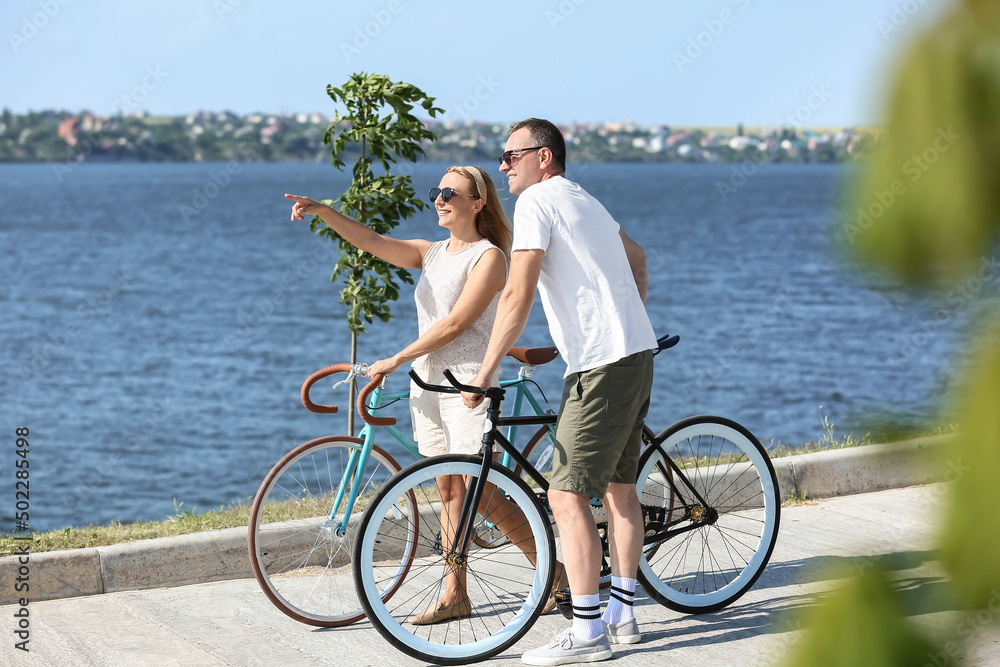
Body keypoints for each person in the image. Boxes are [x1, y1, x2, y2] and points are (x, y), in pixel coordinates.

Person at [286, 165, 564, 626]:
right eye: (437, 191)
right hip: (427, 384)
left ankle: (557, 574)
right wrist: (324, 212)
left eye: (451, 193)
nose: (439, 198)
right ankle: (456, 593)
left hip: (471, 386)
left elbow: (455, 323)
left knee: (483, 492)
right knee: (447, 487)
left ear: (477, 204)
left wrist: (396, 357)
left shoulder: (489, 257)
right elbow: (373, 242)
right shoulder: (432, 252)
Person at [462, 119, 657, 665]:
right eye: (500, 159)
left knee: (565, 494)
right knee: (619, 488)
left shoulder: (538, 202)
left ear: (543, 157)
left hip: (600, 365)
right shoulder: (584, 200)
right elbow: (638, 259)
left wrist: (485, 370)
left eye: (510, 156)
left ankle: (588, 630)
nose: (503, 166)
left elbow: (517, 294)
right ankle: (622, 617)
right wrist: (625, 322)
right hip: (633, 355)